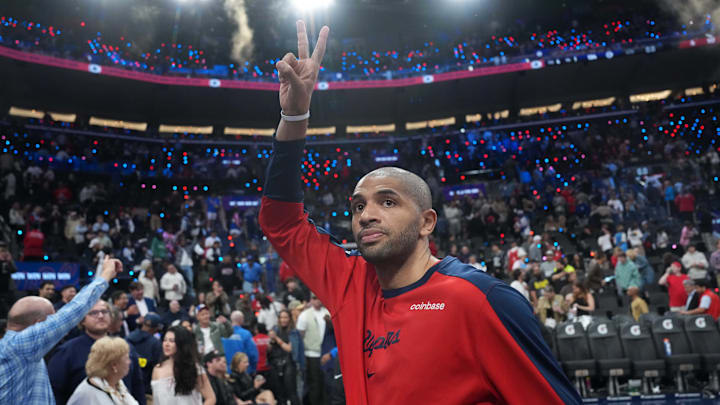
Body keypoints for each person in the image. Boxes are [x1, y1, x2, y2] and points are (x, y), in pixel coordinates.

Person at [258, 21, 580, 404]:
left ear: (427, 222)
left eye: (388, 202)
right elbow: (280, 221)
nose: (366, 215)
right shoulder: (349, 284)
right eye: (359, 205)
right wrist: (295, 118)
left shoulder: (480, 299)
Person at [0, 257, 122, 404]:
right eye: (51, 320)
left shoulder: (14, 346)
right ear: (38, 324)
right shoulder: (20, 345)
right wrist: (106, 274)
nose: (55, 325)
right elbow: (75, 309)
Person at [49, 298, 146, 405]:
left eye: (104, 311)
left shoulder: (125, 347)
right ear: (83, 320)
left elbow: (137, 386)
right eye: (93, 313)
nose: (100, 316)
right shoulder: (67, 351)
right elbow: (56, 392)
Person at [151, 325, 216, 405]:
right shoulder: (157, 369)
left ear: (181, 343)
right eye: (165, 340)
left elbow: (210, 398)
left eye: (171, 341)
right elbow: (156, 400)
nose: (166, 344)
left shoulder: (194, 368)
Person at [67, 336, 138, 405]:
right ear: (114, 365)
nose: (129, 362)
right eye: (127, 358)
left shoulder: (117, 384)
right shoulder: (87, 394)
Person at [296, 294, 331, 405]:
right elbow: (300, 336)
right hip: (311, 353)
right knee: (314, 383)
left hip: (326, 352)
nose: (317, 301)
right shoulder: (305, 315)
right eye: (314, 298)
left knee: (326, 383)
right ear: (311, 300)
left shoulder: (327, 312)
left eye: (319, 298)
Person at [268, 309, 302, 405]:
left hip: (289, 364)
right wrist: (270, 340)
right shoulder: (275, 329)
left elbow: (290, 349)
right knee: (279, 394)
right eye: (281, 317)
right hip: (275, 364)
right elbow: (269, 349)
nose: (283, 320)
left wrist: (276, 339)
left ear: (289, 319)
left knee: (292, 393)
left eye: (285, 317)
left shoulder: (293, 332)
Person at [126, 313, 163, 394]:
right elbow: (158, 366)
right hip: (146, 388)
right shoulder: (155, 343)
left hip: (128, 386)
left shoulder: (127, 338)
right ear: (156, 328)